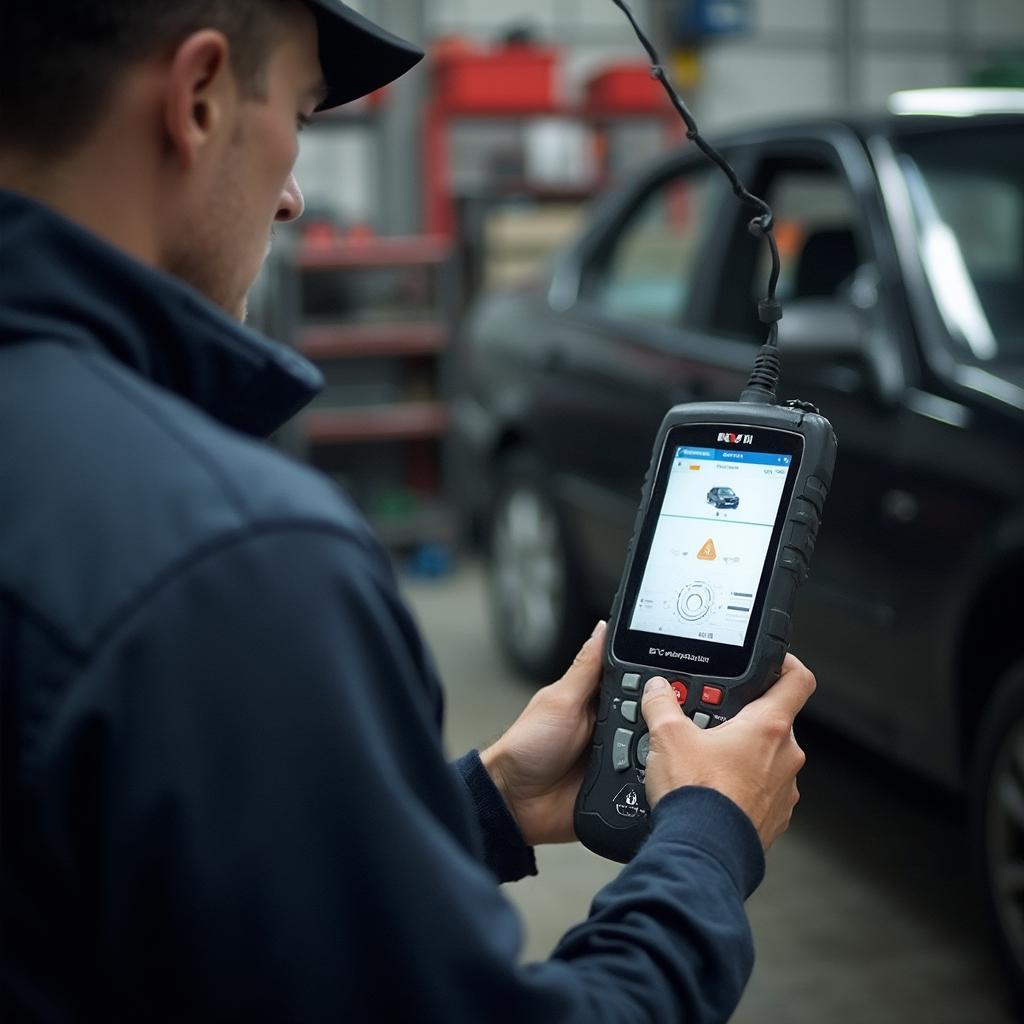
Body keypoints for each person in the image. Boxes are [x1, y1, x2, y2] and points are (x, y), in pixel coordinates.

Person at [0, 2, 815, 1020]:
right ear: (199, 98)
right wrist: (706, 840)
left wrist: (476, 808)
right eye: (300, 113)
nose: (295, 196)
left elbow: (156, 915)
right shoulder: (234, 560)